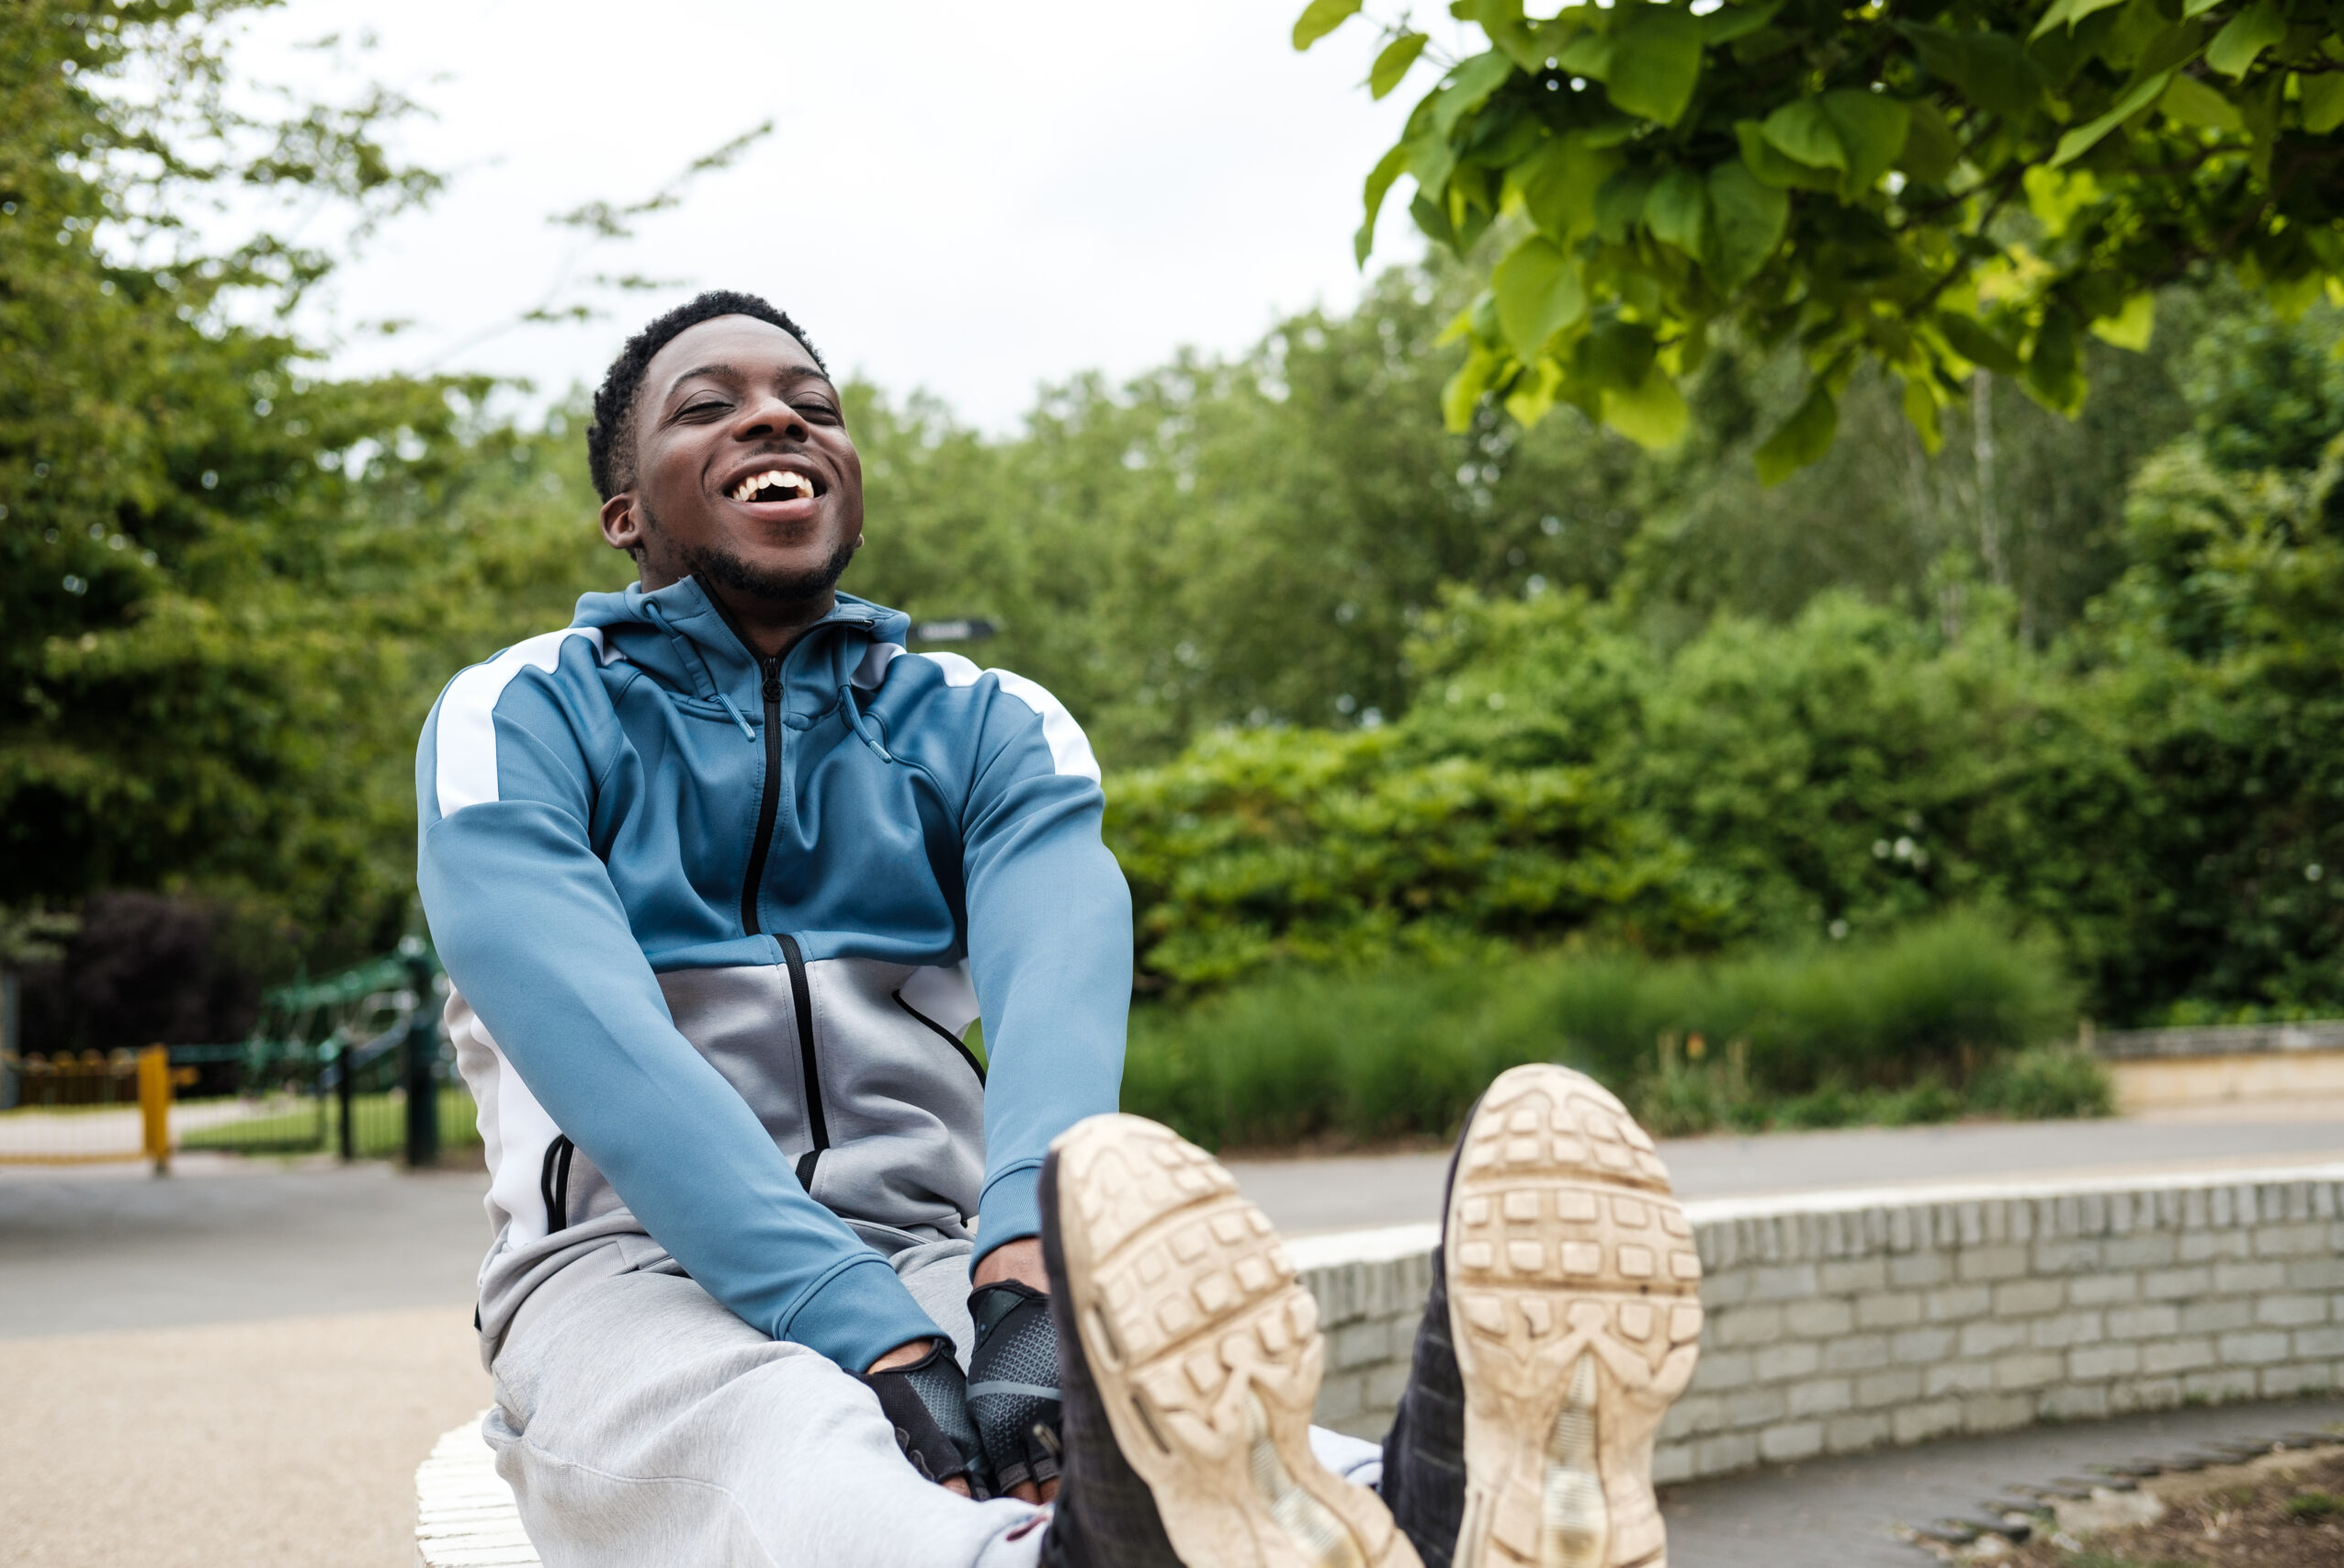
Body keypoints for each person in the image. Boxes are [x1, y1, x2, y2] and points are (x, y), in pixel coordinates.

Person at [415, 290, 1700, 1568]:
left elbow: (1058, 994)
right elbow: (601, 1049)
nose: (776, 421)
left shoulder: (988, 724)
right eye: (712, 408)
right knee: (790, 1432)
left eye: (813, 408)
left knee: (1137, 1416)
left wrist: (1022, 1274)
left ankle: (1427, 1504)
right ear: (625, 511)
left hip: (936, 1251)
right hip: (622, 1275)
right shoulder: (518, 715)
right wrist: (866, 1331)